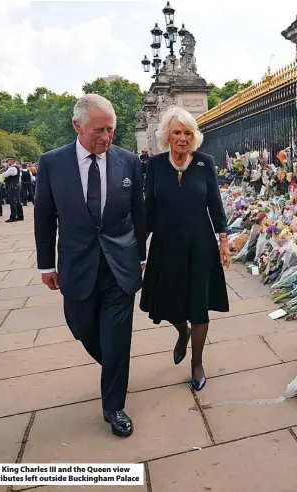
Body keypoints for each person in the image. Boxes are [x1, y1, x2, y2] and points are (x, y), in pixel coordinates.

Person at [34, 94, 146, 437]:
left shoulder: (127, 161)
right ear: (77, 126)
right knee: (82, 327)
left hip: (120, 265)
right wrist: (45, 265)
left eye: (111, 130)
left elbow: (139, 214)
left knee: (116, 339)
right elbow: (44, 216)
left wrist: (141, 256)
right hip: (76, 264)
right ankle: (113, 366)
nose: (106, 137)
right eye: (99, 130)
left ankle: (114, 405)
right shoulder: (52, 163)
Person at [140, 106, 230, 391]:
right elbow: (148, 208)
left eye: (187, 133)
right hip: (166, 245)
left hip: (200, 244)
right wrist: (138, 247)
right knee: (169, 302)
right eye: (177, 132)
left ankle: (197, 363)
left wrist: (224, 239)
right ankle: (183, 332)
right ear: (167, 135)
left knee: (199, 304)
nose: (182, 138)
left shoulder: (204, 162)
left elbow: (214, 203)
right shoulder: (155, 165)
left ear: (194, 137)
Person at [1, 158, 24, 222]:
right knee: (18, 201)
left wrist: (6, 169)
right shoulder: (17, 168)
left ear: (11, 161)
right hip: (17, 185)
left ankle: (13, 217)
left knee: (13, 201)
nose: (7, 162)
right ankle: (20, 216)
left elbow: (3, 175)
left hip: (12, 186)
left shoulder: (12, 168)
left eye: (7, 161)